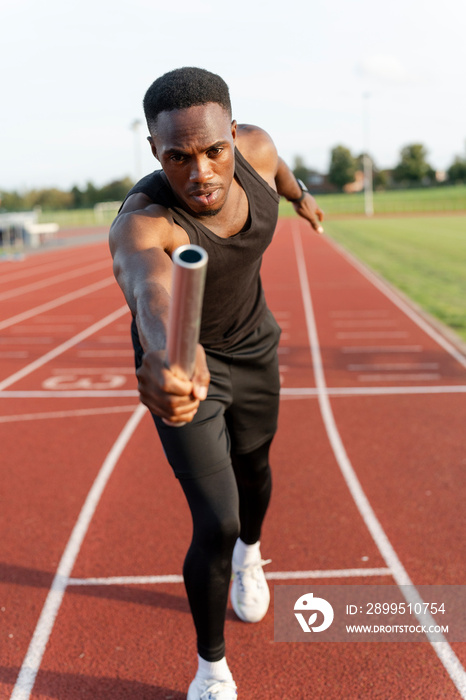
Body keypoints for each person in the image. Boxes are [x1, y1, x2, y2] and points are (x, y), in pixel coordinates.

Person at [109, 66, 323, 700]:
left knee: (255, 472)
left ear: (234, 135)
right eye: (178, 156)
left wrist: (301, 195)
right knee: (216, 520)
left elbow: (279, 172)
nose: (199, 171)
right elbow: (149, 288)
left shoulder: (256, 150)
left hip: (254, 346)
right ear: (154, 151)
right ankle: (211, 668)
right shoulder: (146, 220)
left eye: (212, 150)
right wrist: (164, 355)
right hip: (187, 362)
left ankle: (251, 558)